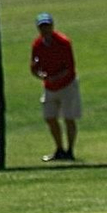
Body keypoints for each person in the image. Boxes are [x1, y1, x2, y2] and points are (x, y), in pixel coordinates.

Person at [30, 13, 80, 162]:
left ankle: (69, 150)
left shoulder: (63, 42)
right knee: (50, 117)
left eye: (47, 26)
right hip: (50, 86)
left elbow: (69, 67)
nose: (45, 29)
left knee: (69, 118)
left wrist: (55, 78)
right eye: (42, 27)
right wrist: (41, 75)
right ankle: (59, 149)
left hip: (67, 85)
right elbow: (34, 66)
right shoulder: (37, 44)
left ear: (52, 26)